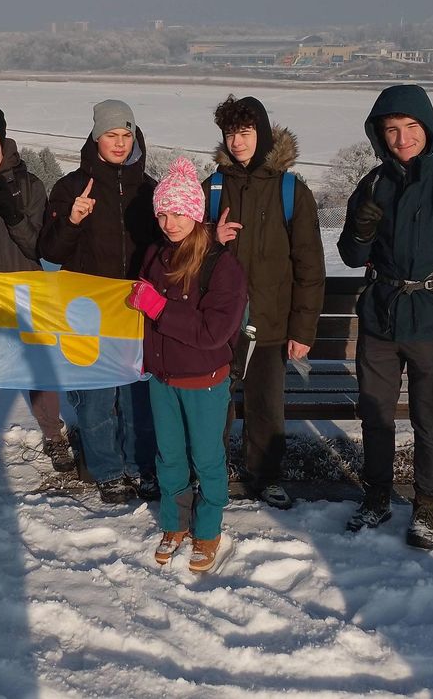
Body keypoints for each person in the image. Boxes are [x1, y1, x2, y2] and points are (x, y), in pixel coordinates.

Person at [337, 84, 433, 550]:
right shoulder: (373, 183)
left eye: (410, 127)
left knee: (429, 418)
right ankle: (378, 495)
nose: (402, 138)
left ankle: (427, 504)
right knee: (376, 415)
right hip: (382, 320)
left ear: (426, 127)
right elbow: (350, 255)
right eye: (391, 130)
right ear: (379, 135)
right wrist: (361, 230)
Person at [206, 95, 325, 510]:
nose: (237, 142)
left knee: (265, 407)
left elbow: (309, 266)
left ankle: (266, 476)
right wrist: (210, 239)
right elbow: (182, 249)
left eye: (245, 132)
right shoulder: (213, 187)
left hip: (271, 324)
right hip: (216, 325)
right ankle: (211, 473)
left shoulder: (291, 191)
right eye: (230, 134)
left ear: (263, 132)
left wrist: (303, 330)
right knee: (214, 405)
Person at [129, 157, 247, 572]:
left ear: (195, 214)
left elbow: (212, 332)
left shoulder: (222, 266)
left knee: (207, 457)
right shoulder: (155, 256)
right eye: (162, 213)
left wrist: (158, 307)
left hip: (204, 380)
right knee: (170, 456)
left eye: (178, 212)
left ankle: (208, 527)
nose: (169, 222)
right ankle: (174, 523)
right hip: (162, 377)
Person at [39, 99, 159, 505]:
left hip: (137, 312)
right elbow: (51, 252)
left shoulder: (150, 189)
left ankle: (139, 466)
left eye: (126, 135)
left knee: (135, 395)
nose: (120, 143)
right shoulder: (71, 188)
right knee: (96, 397)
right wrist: (72, 220)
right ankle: (107, 471)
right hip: (87, 313)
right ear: (96, 137)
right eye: (111, 135)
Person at [0, 102, 75, 475]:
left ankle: (54, 435)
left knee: (38, 368)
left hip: (25, 287)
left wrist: (14, 216)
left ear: (1, 134)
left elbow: (41, 246)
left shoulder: (30, 185)